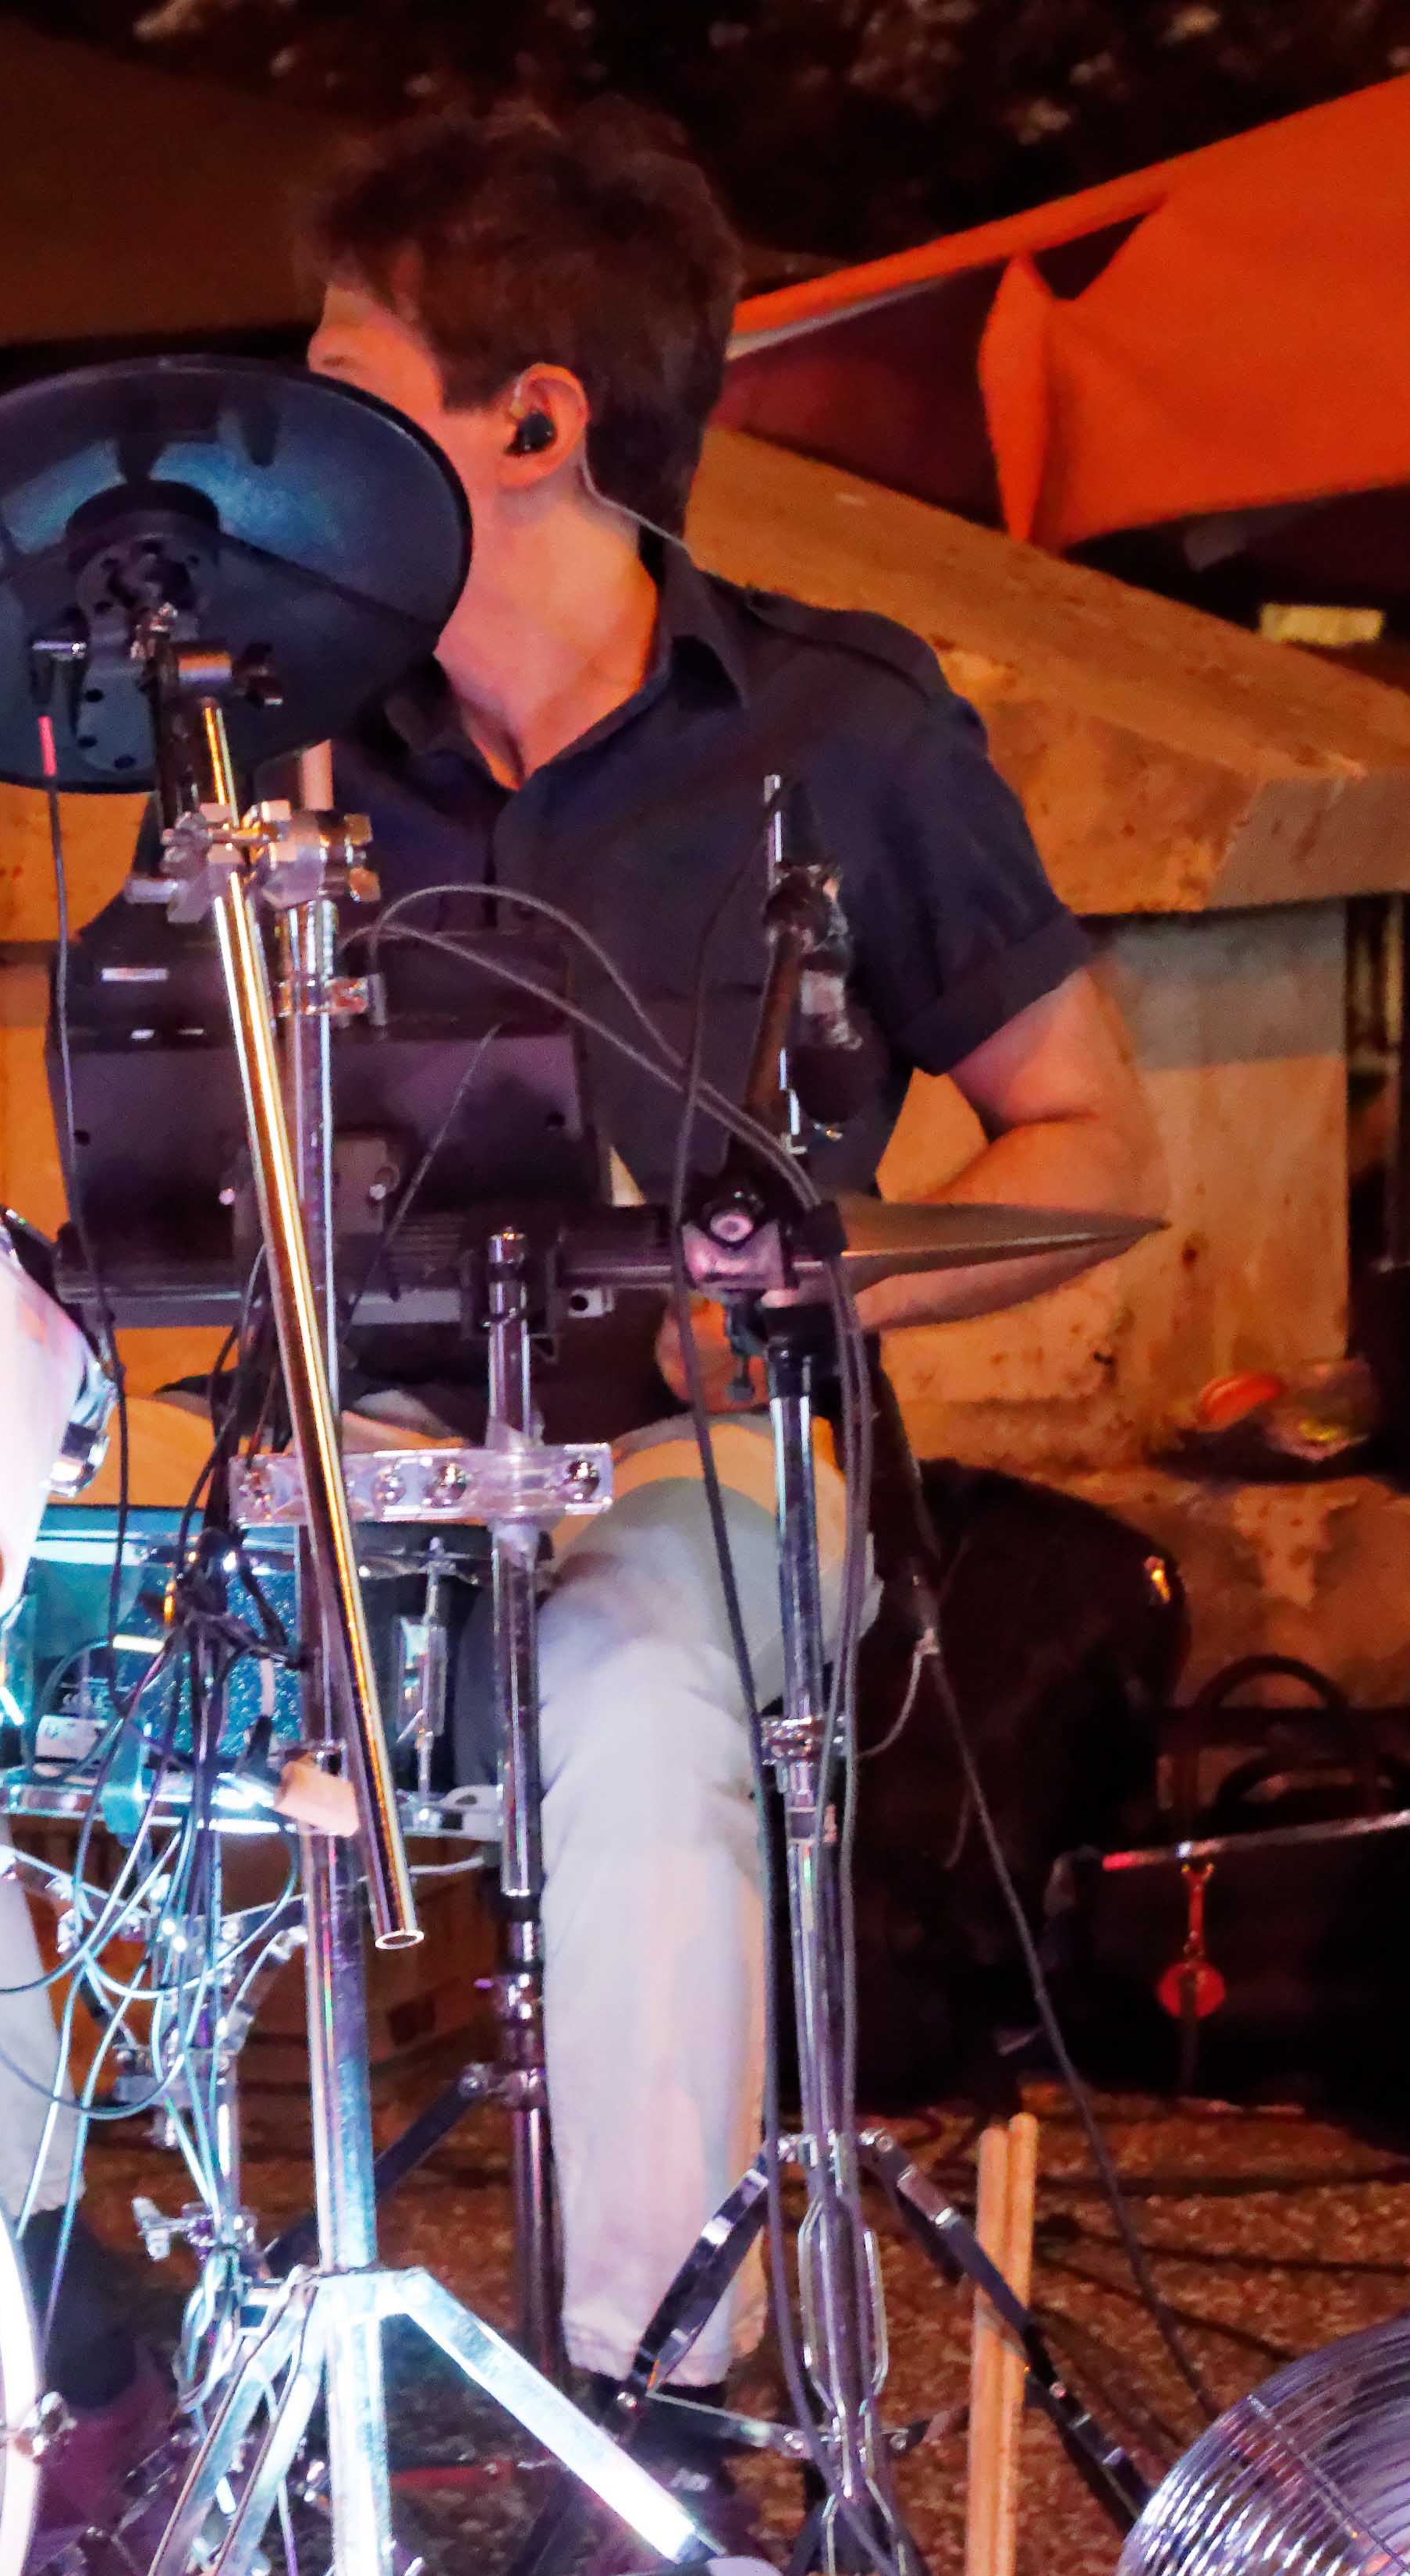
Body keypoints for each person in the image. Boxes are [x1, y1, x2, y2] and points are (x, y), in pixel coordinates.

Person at [288, 106, 1160, 2386]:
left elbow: (1094, 1138)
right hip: (361, 1449)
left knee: (632, 1662)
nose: (287, 439)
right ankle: (19, 2370)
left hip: (708, 1462)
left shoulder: (836, 731)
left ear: (532, 421)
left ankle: (653, 2399)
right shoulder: (280, 750)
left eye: (343, 384)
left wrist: (803, 1284)